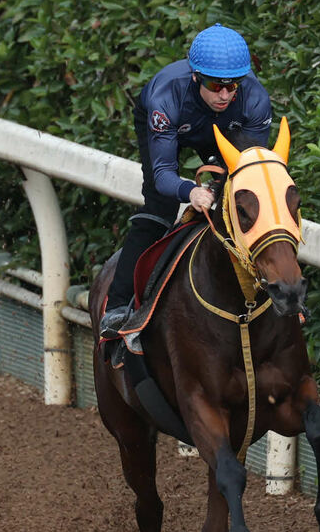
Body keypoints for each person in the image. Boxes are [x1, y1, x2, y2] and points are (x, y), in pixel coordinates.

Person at [100, 23, 273, 338]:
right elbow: (164, 173)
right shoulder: (167, 95)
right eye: (214, 85)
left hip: (221, 131)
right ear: (196, 77)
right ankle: (117, 304)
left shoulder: (255, 99)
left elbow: (251, 171)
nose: (224, 95)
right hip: (174, 126)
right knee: (160, 205)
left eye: (233, 86)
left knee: (240, 202)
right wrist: (189, 191)